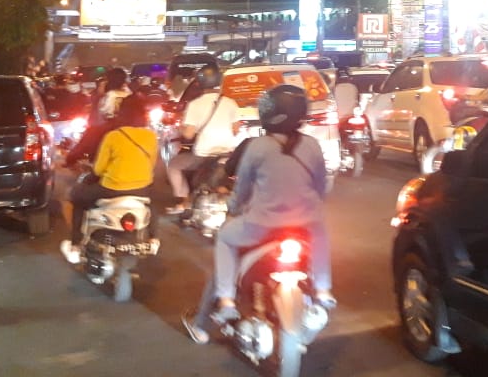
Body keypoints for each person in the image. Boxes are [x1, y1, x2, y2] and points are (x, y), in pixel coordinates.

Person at [183, 84, 334, 344]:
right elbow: (321, 185)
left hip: (262, 226)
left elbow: (241, 190)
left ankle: (227, 302)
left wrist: (232, 208)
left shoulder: (258, 146)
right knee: (320, 233)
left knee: (226, 239)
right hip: (306, 225)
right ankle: (323, 292)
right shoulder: (312, 145)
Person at [59, 93, 159, 264]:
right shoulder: (150, 136)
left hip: (112, 188)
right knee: (152, 202)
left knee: (77, 198)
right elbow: (152, 163)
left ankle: (75, 245)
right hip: (142, 189)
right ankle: (153, 239)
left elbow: (98, 169)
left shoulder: (114, 136)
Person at [166, 65, 240, 215]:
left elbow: (188, 134)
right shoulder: (230, 103)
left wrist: (182, 129)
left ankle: (184, 202)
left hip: (203, 155)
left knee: (174, 165)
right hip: (227, 154)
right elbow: (235, 129)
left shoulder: (195, 104)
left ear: (199, 83)